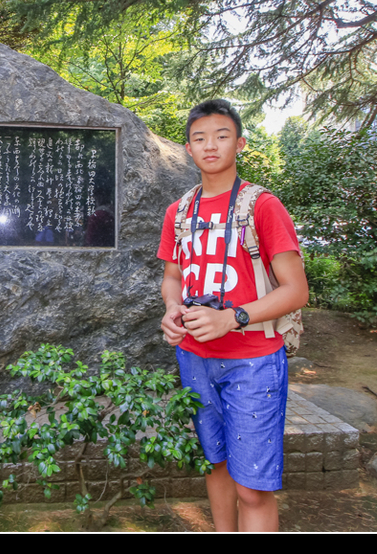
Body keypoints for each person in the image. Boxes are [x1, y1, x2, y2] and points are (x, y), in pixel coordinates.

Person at [158, 98, 308, 532]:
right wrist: (172, 310)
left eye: (222, 136)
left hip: (254, 360)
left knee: (253, 488)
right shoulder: (179, 212)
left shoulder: (262, 206)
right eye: (200, 138)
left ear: (239, 143)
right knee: (216, 464)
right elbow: (172, 276)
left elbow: (297, 290)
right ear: (188, 148)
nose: (210, 146)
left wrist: (232, 317)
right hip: (193, 357)